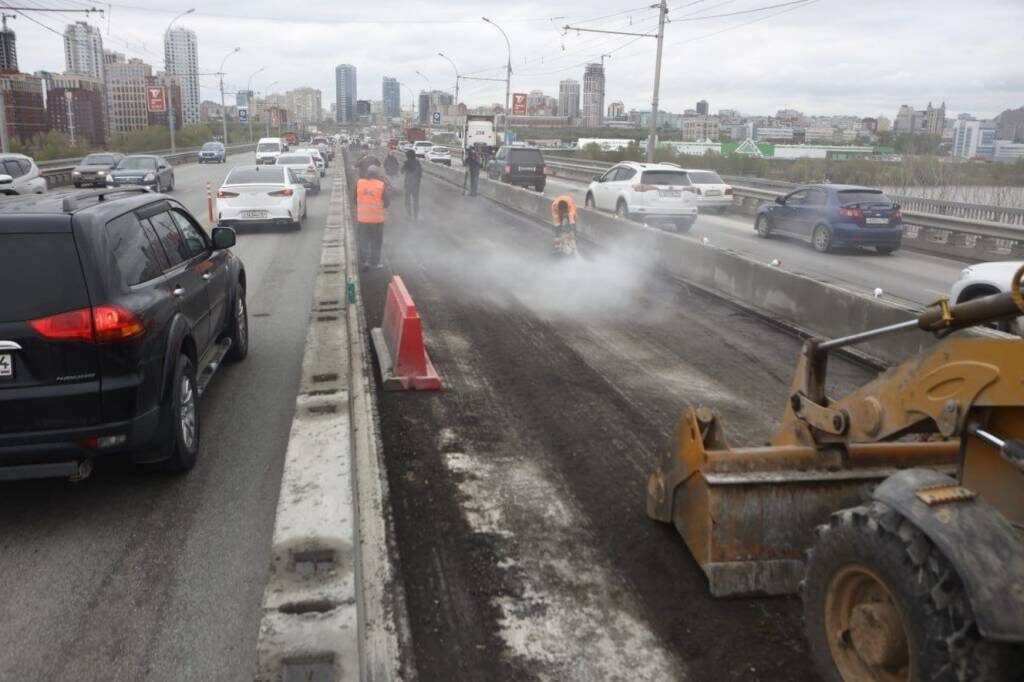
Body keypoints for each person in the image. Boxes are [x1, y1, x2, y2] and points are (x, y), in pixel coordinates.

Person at [355, 165, 389, 270]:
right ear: (377, 174)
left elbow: (354, 198)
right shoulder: (380, 185)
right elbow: (387, 203)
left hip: (362, 219)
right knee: (376, 242)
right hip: (377, 220)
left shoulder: (359, 183)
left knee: (363, 240)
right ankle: (375, 262)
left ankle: (364, 261)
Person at [401, 149, 422, 222]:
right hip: (416, 185)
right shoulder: (417, 163)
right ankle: (416, 216)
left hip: (408, 185)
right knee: (416, 200)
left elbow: (401, 171)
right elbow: (420, 174)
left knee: (407, 200)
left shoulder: (406, 163)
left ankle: (408, 215)